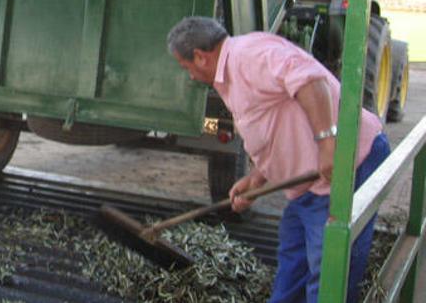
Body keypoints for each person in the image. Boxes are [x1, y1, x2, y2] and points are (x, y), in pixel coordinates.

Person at [166, 16, 390, 303]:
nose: (191, 77)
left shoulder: (250, 54)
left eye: (186, 68)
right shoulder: (230, 73)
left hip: (347, 164)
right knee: (293, 256)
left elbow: (311, 81)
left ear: (200, 57)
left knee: (330, 267)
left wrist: (327, 144)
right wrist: (257, 178)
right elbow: (274, 127)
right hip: (308, 182)